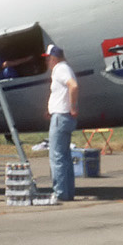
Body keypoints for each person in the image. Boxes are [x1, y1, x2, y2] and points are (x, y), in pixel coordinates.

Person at [47, 43, 79, 202]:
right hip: (63, 116)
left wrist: (72, 107)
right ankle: (68, 193)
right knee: (65, 156)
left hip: (60, 116)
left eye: (48, 59)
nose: (47, 62)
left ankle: (60, 193)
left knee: (56, 157)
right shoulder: (66, 67)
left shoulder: (59, 69)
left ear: (53, 58)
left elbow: (73, 86)